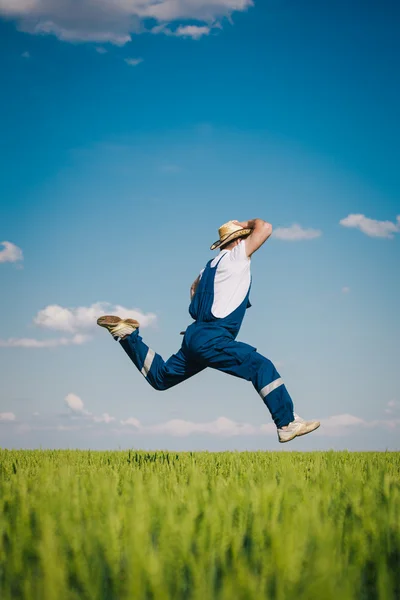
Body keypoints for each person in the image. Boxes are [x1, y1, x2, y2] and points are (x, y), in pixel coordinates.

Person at [97, 219, 320, 443]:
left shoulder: (208, 268)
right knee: (261, 366)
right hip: (213, 337)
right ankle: (286, 423)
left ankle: (127, 335)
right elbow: (266, 227)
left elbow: (193, 288)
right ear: (240, 239)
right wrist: (248, 223)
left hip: (196, 335)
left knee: (161, 378)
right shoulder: (236, 257)